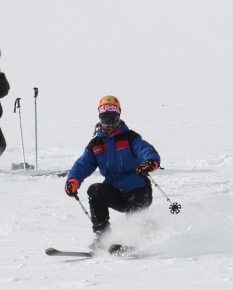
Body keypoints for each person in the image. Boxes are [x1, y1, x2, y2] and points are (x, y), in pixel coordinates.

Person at [64, 96, 161, 249]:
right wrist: (73, 180)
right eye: (104, 119)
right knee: (95, 190)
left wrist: (150, 161)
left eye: (112, 119)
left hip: (138, 189)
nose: (108, 124)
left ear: (118, 116)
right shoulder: (96, 144)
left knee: (135, 214)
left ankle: (138, 240)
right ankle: (103, 236)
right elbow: (82, 164)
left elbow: (145, 149)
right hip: (115, 191)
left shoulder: (130, 137)